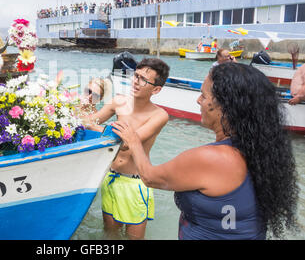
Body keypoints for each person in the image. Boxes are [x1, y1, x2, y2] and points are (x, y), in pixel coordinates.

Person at [111, 63, 299, 240]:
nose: (198, 100)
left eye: (204, 95)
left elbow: (150, 177)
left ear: (225, 106)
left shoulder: (212, 158)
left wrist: (134, 141)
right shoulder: (261, 150)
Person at [83, 58, 170, 240]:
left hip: (135, 183)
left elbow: (128, 144)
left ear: (156, 89)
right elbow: (89, 121)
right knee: (110, 234)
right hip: (111, 177)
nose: (136, 81)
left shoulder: (159, 115)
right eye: (136, 76)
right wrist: (86, 105)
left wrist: (94, 126)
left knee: (134, 239)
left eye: (143, 80)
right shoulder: (119, 102)